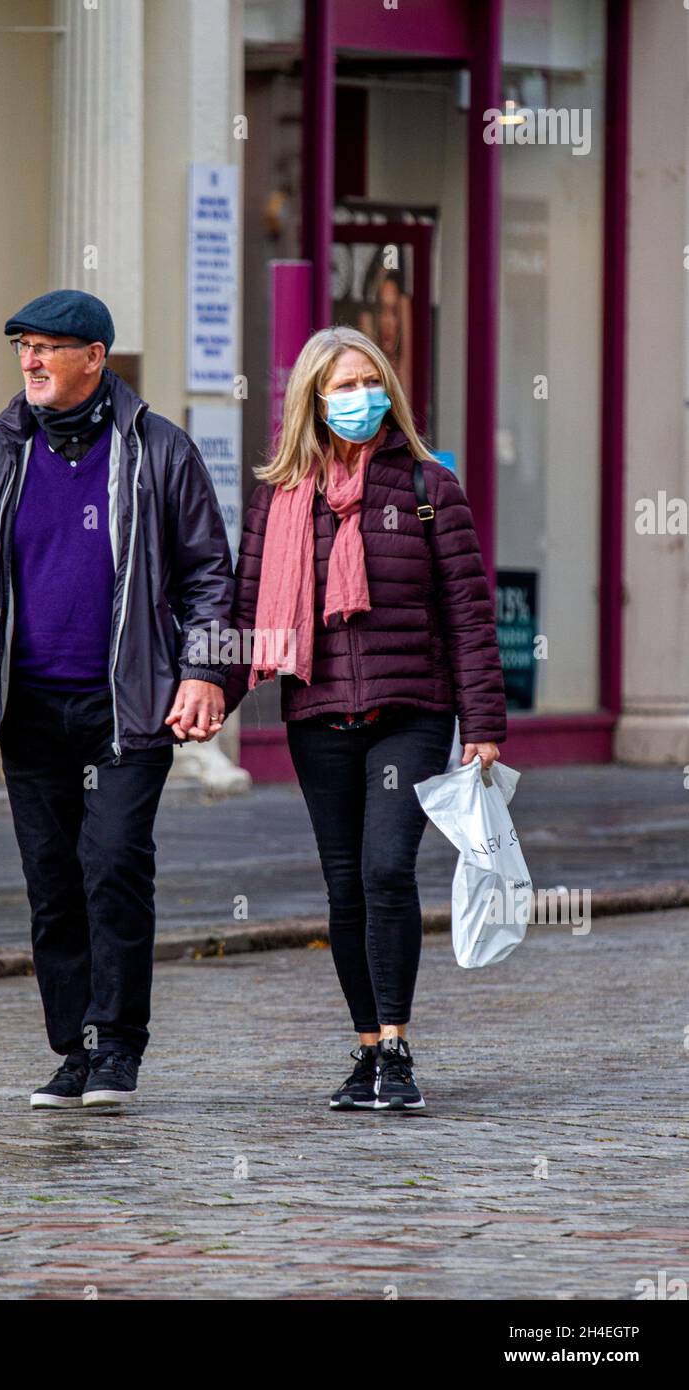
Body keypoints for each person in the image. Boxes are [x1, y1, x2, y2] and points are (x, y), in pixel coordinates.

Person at [0, 289, 232, 1110]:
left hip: (127, 705)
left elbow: (210, 576)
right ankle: (76, 1048)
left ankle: (118, 1048)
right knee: (54, 882)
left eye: (48, 347)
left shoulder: (159, 450)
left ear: (95, 358)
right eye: (23, 346)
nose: (30, 361)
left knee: (115, 867)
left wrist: (205, 672)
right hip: (29, 707)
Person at [222, 325, 506, 1112]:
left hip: (411, 710)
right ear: (313, 398)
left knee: (386, 869)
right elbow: (248, 614)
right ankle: (365, 1048)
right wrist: (204, 692)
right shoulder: (280, 501)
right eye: (342, 387)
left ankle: (398, 1045)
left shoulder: (427, 488)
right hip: (317, 714)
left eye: (369, 383)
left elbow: (469, 616)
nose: (359, 399)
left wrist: (483, 723)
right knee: (344, 886)